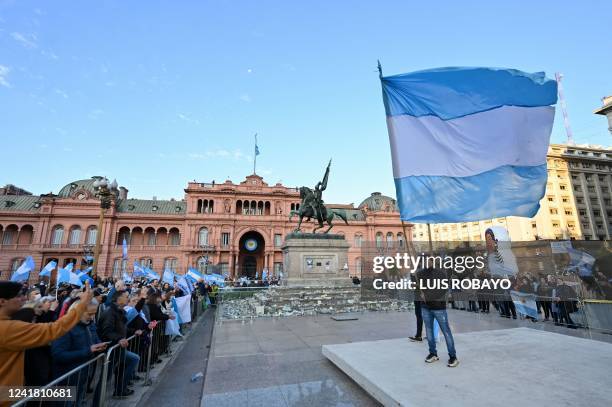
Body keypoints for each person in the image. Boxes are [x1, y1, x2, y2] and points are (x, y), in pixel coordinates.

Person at [0, 280, 93, 386]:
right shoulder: (7, 328)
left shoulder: (9, 323)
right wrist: (82, 304)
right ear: (2, 301)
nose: (24, 298)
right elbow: (54, 329)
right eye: (18, 296)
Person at [51, 298, 108, 406]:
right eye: (89, 314)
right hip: (67, 380)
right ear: (78, 311)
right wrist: (88, 350)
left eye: (94, 314)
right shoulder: (65, 327)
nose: (92, 317)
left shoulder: (88, 324)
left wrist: (98, 346)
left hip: (82, 377)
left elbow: (92, 341)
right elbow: (58, 355)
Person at [98, 289, 140, 398]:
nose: (128, 298)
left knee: (132, 360)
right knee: (105, 378)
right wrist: (119, 339)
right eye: (126, 296)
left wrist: (133, 331)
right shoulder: (109, 312)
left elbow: (122, 328)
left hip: (118, 348)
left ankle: (120, 389)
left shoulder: (120, 312)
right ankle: (98, 401)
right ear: (118, 299)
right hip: (110, 349)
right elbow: (106, 331)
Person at [416, 266, 459, 368]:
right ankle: (433, 353)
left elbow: (443, 290)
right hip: (425, 307)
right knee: (429, 332)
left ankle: (453, 356)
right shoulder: (422, 273)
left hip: (438, 308)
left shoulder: (441, 274)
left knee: (446, 332)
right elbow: (417, 284)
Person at [408, 272, 423, 342]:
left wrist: (415, 285)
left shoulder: (421, 271)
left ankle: (419, 335)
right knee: (418, 315)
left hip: (421, 297)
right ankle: (418, 335)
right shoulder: (414, 273)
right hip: (417, 297)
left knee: (420, 315)